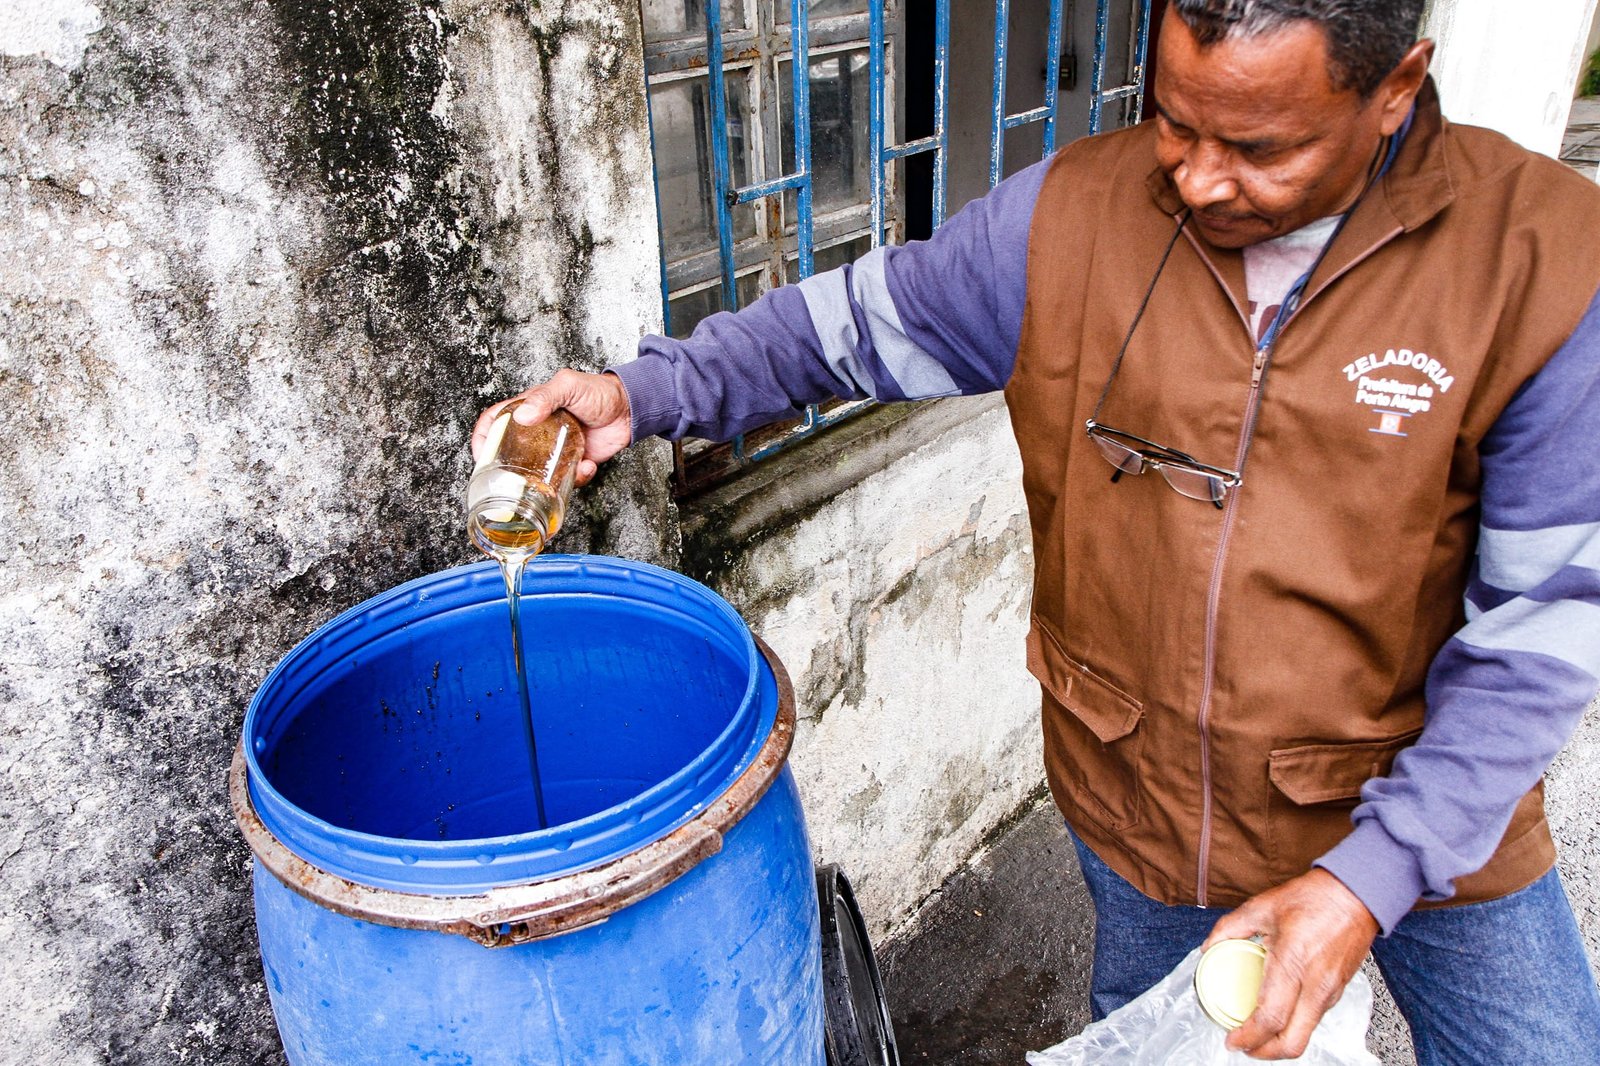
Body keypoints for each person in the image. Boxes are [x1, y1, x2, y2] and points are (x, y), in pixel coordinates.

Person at [475, 1, 1600, 1060]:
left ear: (1398, 85)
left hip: (1430, 805)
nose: (1201, 180)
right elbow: (852, 325)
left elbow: (1537, 631)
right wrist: (642, 394)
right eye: (1175, 121)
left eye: (1261, 150)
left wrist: (1372, 877)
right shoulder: (1068, 217)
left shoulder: (1542, 266)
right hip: (1144, 804)